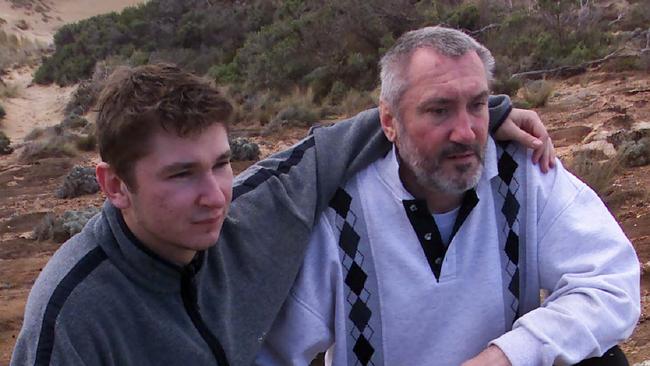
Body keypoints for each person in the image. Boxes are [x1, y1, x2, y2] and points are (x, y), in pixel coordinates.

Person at [10, 63, 553, 365]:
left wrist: (486, 116)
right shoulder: (72, 310)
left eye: (221, 164)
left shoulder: (248, 215)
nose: (215, 195)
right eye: (181, 175)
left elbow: (331, 147)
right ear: (113, 185)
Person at [256, 26, 640, 366]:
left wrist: (509, 355)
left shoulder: (522, 172)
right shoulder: (341, 210)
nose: (466, 132)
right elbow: (270, 350)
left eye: (476, 105)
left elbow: (611, 282)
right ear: (389, 122)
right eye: (439, 110)